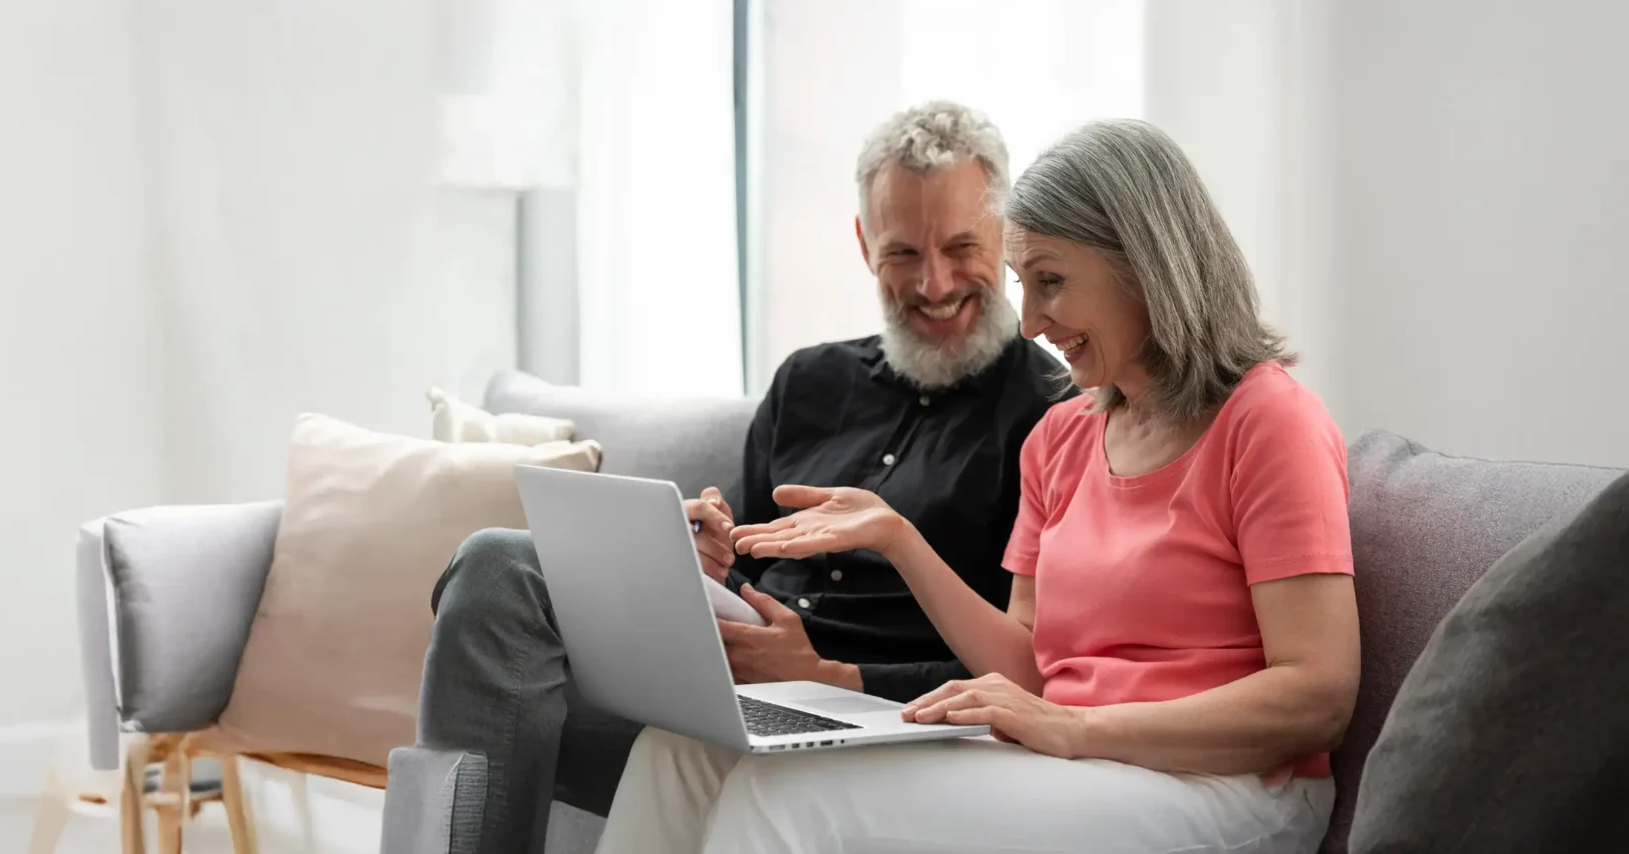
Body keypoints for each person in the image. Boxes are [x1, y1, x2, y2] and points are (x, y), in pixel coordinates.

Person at [596, 118, 1362, 854]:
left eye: (1051, 282)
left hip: (1223, 785)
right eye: (1023, 284)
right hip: (1072, 756)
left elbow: (1317, 698)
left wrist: (1076, 728)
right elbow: (1031, 663)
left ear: (1143, 264)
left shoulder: (1267, 421)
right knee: (680, 754)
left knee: (786, 797)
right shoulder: (1061, 437)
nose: (1029, 322)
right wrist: (896, 536)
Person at [408, 101, 1073, 854]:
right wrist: (706, 552)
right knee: (497, 586)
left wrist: (828, 672)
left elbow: (1038, 665)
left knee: (502, 562)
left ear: (1007, 236)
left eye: (961, 247)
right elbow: (750, 561)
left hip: (879, 725)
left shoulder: (1054, 421)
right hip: (717, 700)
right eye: (901, 254)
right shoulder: (809, 382)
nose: (933, 282)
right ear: (862, 244)